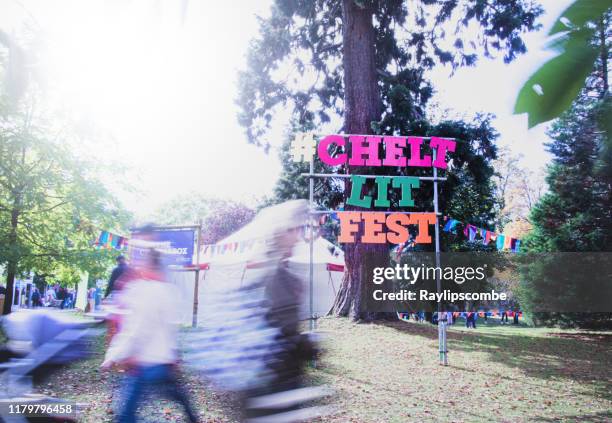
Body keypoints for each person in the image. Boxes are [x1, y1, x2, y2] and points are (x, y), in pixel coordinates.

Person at [101, 242, 198, 423]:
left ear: (145, 266)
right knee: (182, 402)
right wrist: (173, 355)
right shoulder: (170, 291)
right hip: (164, 362)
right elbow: (171, 328)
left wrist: (113, 356)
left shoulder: (142, 290)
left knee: (126, 416)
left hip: (145, 364)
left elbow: (136, 330)